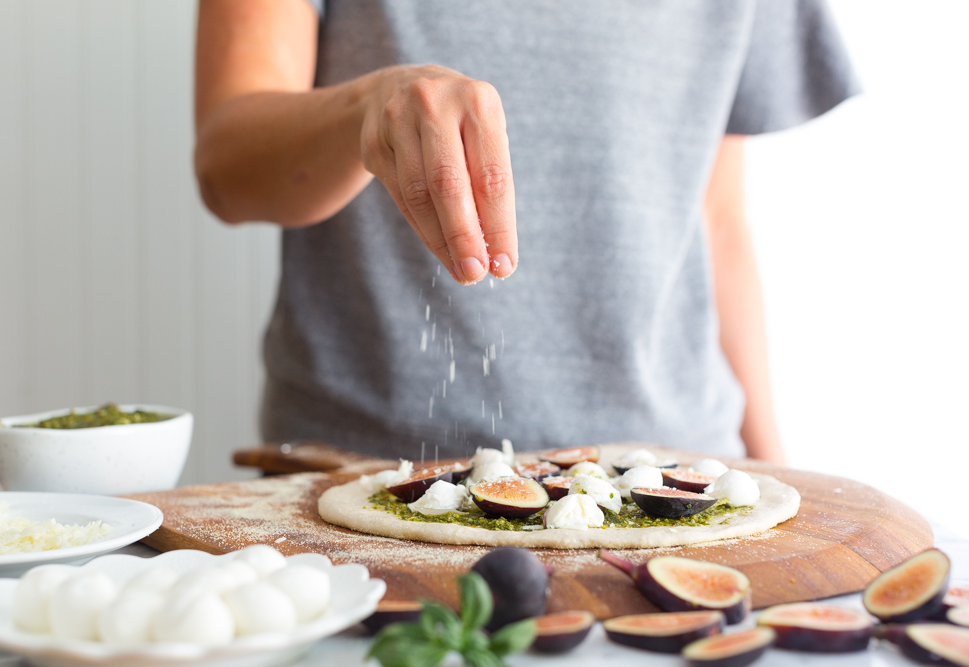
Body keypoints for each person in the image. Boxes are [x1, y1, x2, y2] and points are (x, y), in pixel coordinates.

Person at [194, 0, 858, 465]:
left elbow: (718, 221)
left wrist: (778, 482)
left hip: (678, 474)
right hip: (367, 477)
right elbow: (227, 166)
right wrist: (367, 111)